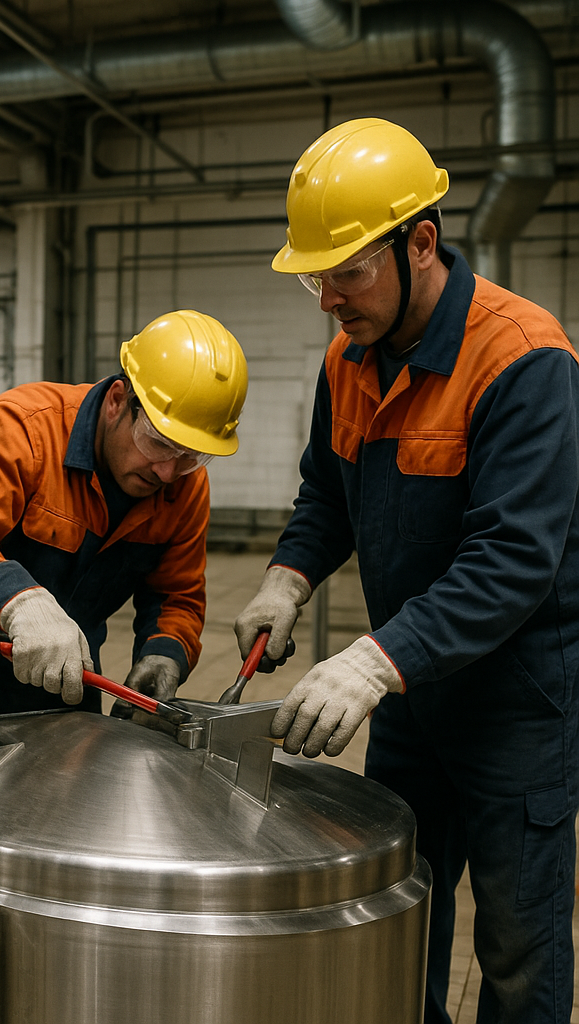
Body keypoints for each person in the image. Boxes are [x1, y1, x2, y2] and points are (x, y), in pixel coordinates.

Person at [233, 116, 579, 1024]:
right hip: (412, 703)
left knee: (516, 942)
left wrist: (368, 663)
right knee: (396, 915)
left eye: (344, 272)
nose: (326, 300)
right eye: (315, 275)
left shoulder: (523, 360)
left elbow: (513, 561)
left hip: (515, 705)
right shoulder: (348, 360)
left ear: (419, 242)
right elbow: (327, 496)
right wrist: (287, 579)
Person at [0, 309, 246, 1024]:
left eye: (191, 457)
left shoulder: (178, 487)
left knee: (53, 849)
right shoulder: (24, 426)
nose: (167, 473)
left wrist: (164, 655)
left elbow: (178, 595)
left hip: (61, 674)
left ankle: (29, 993)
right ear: (116, 402)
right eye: (159, 443)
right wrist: (18, 602)